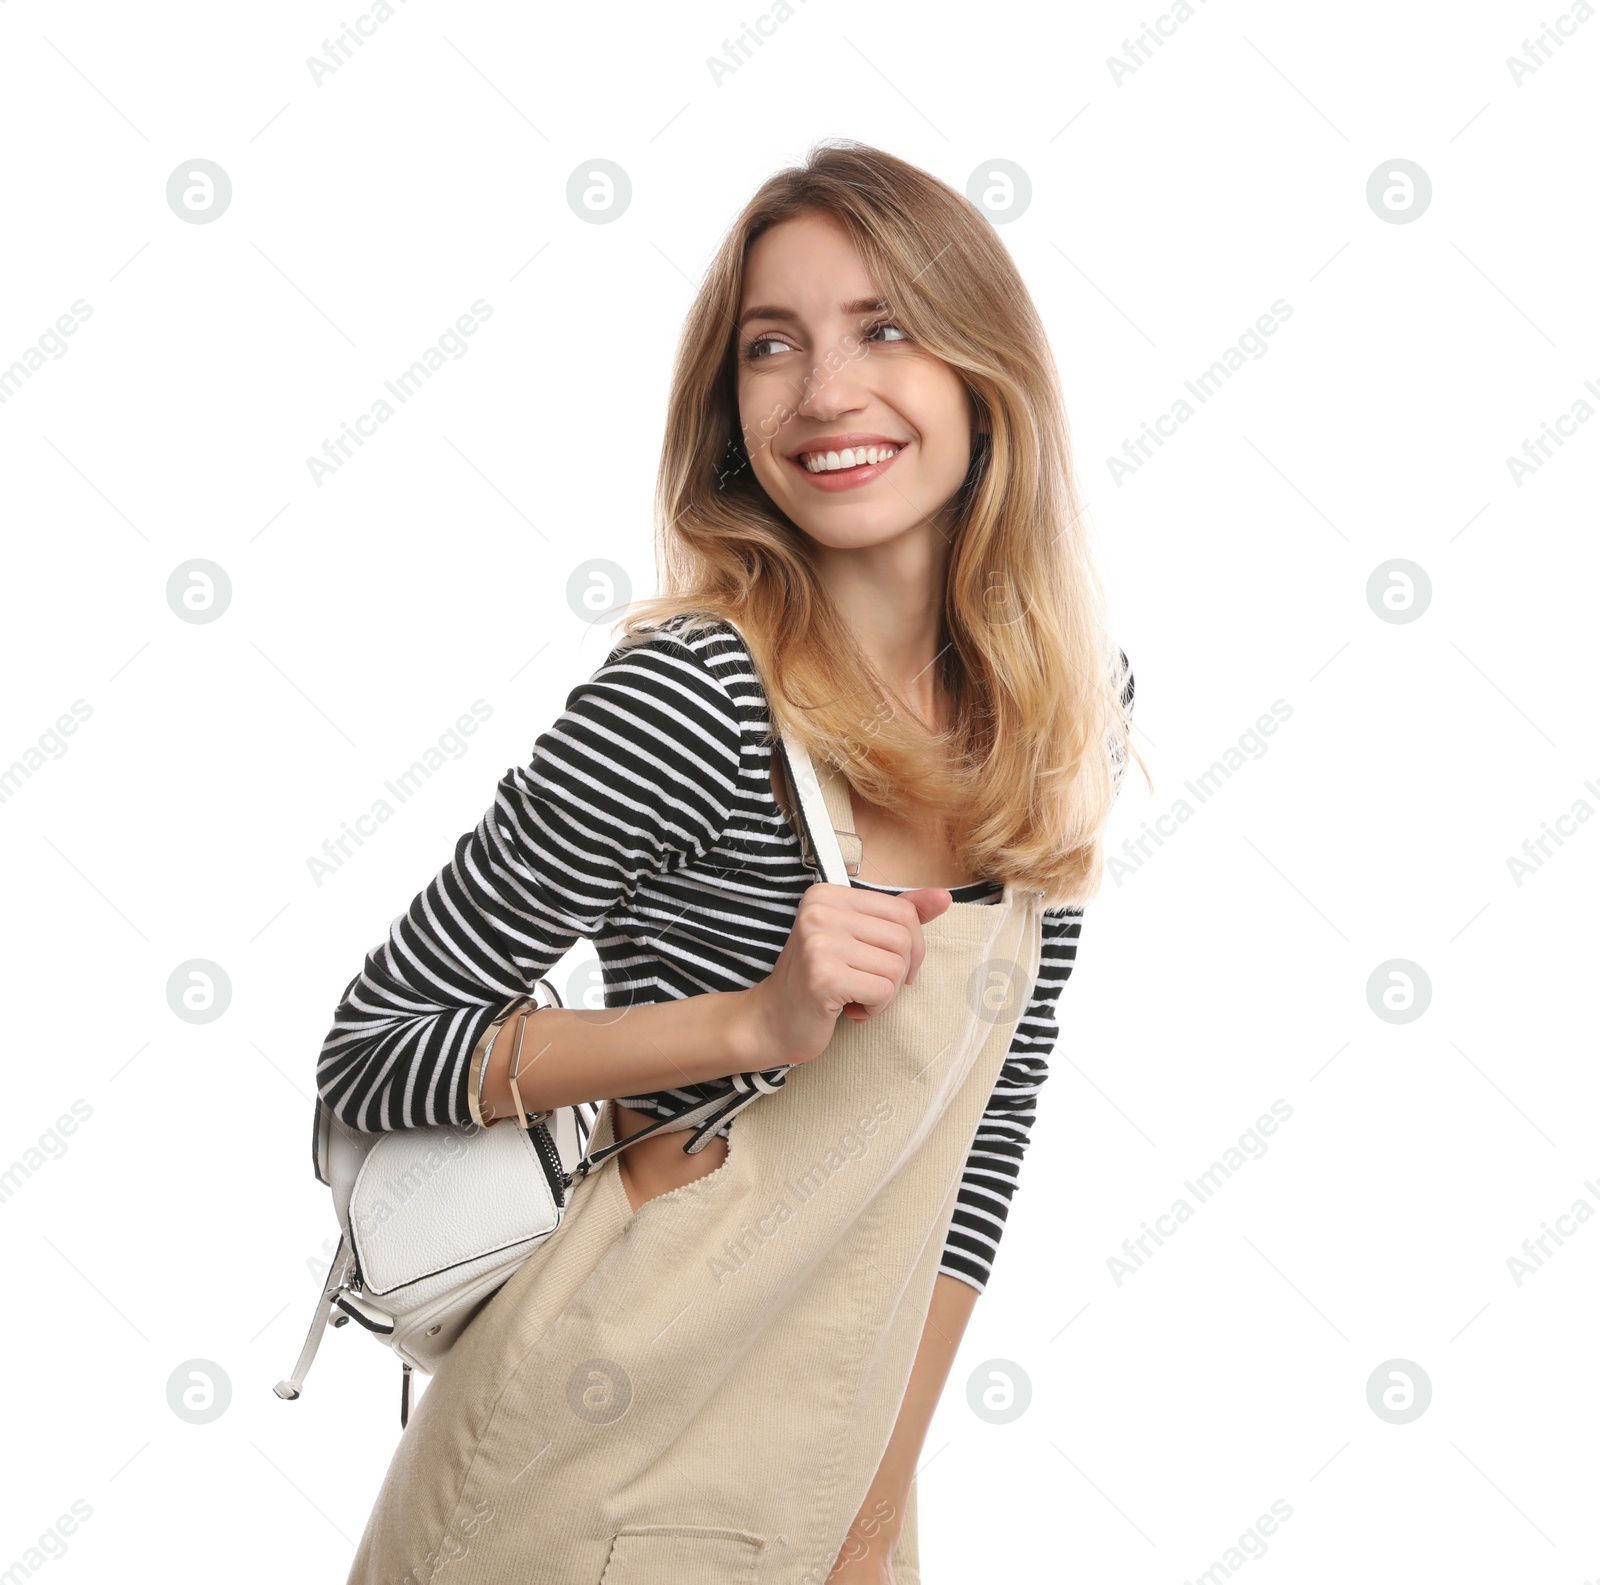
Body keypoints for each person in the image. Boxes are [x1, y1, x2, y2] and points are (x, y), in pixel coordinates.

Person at [319, 139, 1140, 1585]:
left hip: (818, 1476)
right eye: (774, 347)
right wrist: (752, 1023)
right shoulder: (697, 696)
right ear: (730, 406)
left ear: (981, 372)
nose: (827, 392)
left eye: (884, 328)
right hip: (573, 1480)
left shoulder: (1064, 707)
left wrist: (875, 1509)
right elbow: (373, 1051)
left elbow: (985, 1140)